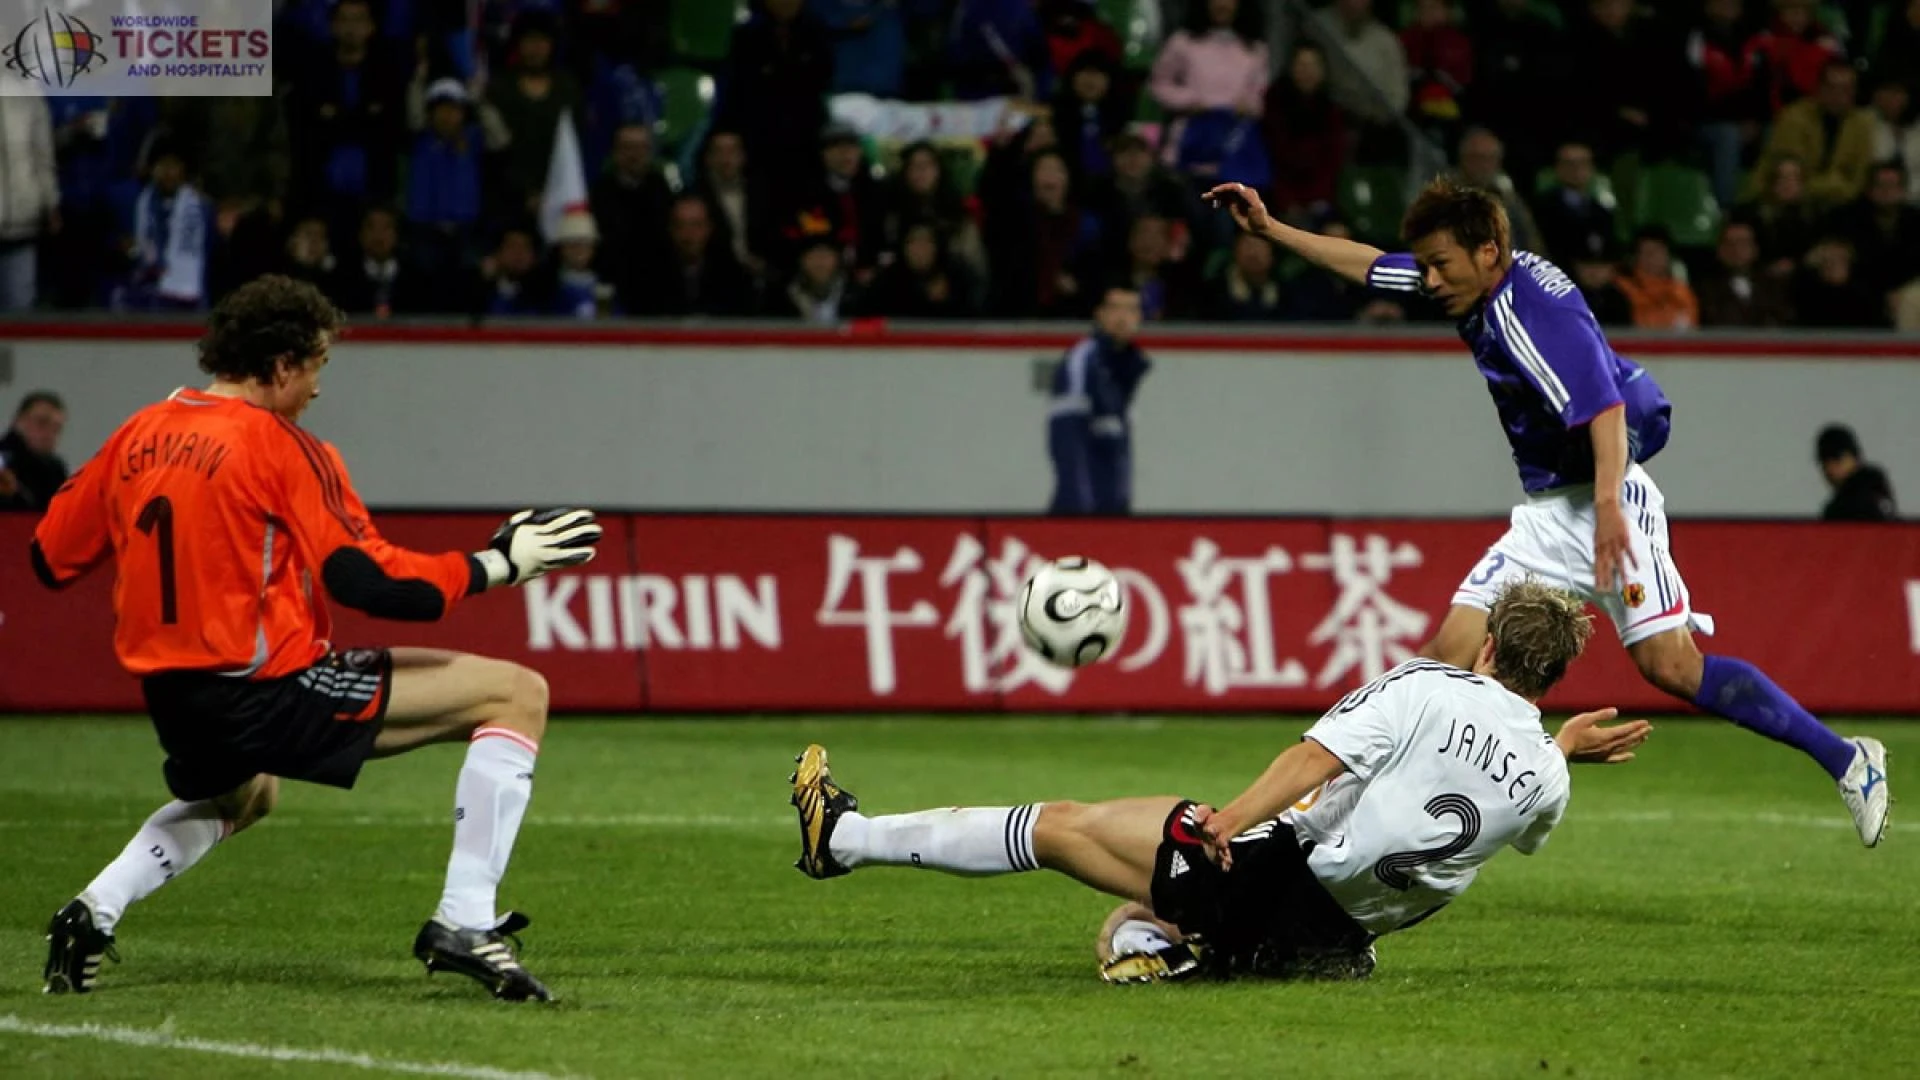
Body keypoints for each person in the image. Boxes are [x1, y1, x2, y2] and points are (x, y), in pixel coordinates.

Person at [1202, 178, 1890, 847]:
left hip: (1604, 494)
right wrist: (1271, 229)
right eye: (1429, 266)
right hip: (1552, 508)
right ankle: (1320, 821)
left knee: (1672, 669)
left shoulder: (1532, 317)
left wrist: (1611, 510)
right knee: (1449, 655)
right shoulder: (1475, 276)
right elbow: (1376, 266)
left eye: (1440, 266)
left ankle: (1847, 760)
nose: (1430, 281)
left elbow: (1607, 409)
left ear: (1488, 254)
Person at [32, 276, 604, 1001]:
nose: (317, 388)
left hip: (174, 696)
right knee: (517, 694)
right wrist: (498, 564)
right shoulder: (280, 446)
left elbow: (47, 558)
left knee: (247, 795)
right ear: (279, 367)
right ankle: (465, 920)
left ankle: (90, 912)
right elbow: (374, 585)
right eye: (316, 367)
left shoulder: (138, 433)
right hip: (262, 688)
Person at [790, 580, 1652, 983]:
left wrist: (1226, 823)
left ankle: (844, 839)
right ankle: (1190, 950)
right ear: (1556, 676)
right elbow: (1514, 794)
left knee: (1064, 826)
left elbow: (1315, 759)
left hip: (1284, 879)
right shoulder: (1547, 776)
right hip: (1341, 934)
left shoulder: (1431, 683)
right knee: (1131, 912)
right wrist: (1563, 747)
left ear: (1489, 647)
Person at [1047, 287, 1148, 515]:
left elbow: (1121, 448)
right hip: (1081, 513)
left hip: (1112, 510)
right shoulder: (1082, 362)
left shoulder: (1128, 369)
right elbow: (1066, 438)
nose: (1123, 318)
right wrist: (1081, 511)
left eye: (1131, 310)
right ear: (1099, 314)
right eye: (1115, 309)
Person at [0, 390, 70, 511]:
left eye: (56, 428)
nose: (49, 434)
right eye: (41, 423)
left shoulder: (55, 470)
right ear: (19, 421)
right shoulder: (3, 462)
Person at [1815, 424, 1897, 521]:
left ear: (1855, 458)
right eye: (1826, 462)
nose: (1831, 468)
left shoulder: (1850, 502)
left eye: (1837, 459)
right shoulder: (1877, 489)